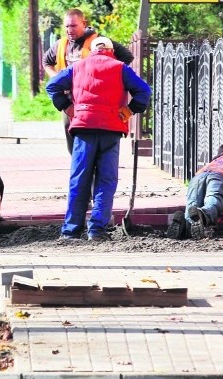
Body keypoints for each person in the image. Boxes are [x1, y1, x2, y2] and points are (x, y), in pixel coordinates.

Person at [45, 37, 151, 241]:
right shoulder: (120, 67)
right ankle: (97, 230)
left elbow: (52, 86)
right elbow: (144, 91)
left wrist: (67, 107)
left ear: (92, 50)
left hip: (84, 129)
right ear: (111, 51)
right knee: (106, 180)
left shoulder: (77, 66)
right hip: (111, 129)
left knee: (79, 178)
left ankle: (71, 230)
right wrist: (130, 110)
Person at [43, 8, 135, 155]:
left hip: (92, 101)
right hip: (68, 102)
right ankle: (78, 167)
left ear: (84, 24)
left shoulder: (98, 42)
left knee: (91, 143)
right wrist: (56, 77)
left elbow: (127, 56)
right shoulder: (61, 45)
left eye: (73, 26)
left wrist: (108, 75)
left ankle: (91, 170)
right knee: (72, 144)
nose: (69, 30)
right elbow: (46, 62)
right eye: (66, 26)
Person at [166, 144, 223, 240]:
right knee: (214, 201)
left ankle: (184, 224)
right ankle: (203, 214)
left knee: (193, 205)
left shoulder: (212, 162)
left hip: (196, 178)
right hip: (218, 178)